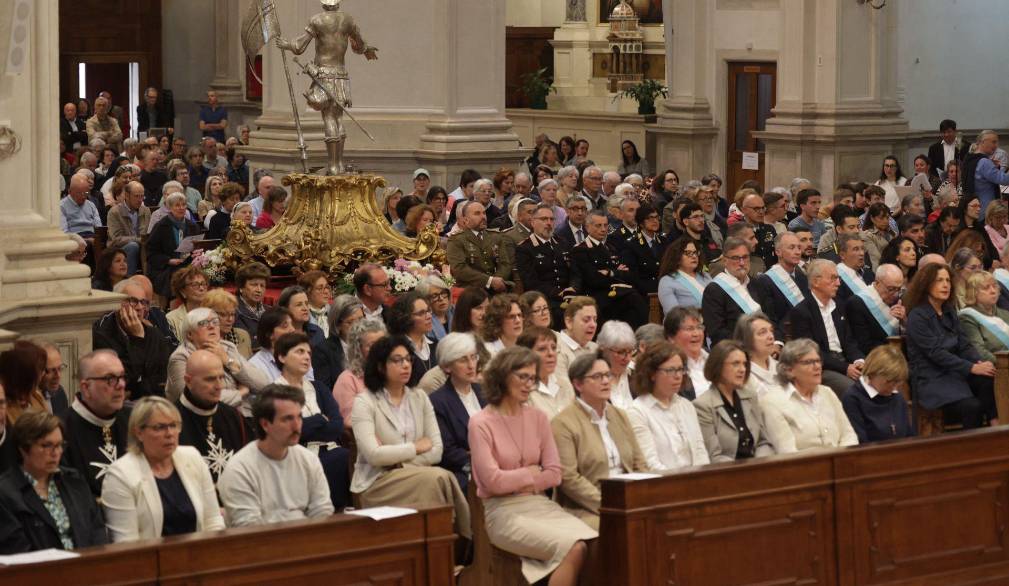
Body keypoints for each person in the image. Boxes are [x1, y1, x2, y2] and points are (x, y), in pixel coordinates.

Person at [469, 346, 596, 585]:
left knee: (594, 543)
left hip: (540, 504)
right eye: (523, 377)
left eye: (533, 378)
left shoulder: (537, 417)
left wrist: (515, 479)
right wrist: (530, 473)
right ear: (503, 376)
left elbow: (555, 474)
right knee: (574, 547)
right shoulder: (480, 423)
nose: (529, 384)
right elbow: (492, 482)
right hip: (503, 512)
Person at [350, 335, 471, 537]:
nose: (406, 365)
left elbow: (436, 450)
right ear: (380, 366)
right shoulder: (365, 402)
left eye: (408, 359)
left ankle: (444, 546)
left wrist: (399, 463)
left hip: (414, 473)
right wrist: (415, 448)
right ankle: (458, 543)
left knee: (437, 478)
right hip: (379, 482)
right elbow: (373, 455)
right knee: (439, 478)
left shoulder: (419, 396)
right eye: (397, 360)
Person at [101, 396, 224, 541]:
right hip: (149, 560)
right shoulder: (121, 474)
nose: (170, 434)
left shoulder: (192, 457)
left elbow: (213, 521)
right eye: (159, 427)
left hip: (198, 556)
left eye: (173, 425)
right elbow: (126, 543)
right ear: (139, 432)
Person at [552, 351, 647, 530]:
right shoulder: (563, 423)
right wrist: (609, 503)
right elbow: (569, 478)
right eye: (597, 376)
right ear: (578, 384)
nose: (605, 381)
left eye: (608, 375)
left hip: (628, 498)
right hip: (586, 506)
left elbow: (639, 463)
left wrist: (647, 494)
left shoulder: (620, 415)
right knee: (619, 527)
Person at [218, 384, 335, 526]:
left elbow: (322, 512)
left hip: (307, 541)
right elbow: (249, 529)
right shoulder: (239, 469)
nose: (296, 426)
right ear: (265, 424)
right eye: (287, 419)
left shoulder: (308, 459)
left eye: (299, 417)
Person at [0, 412, 108, 553]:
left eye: (59, 445)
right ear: (24, 449)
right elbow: (17, 548)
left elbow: (97, 530)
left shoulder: (74, 480)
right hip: (39, 571)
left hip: (86, 567)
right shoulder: (5, 493)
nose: (56, 453)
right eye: (47, 446)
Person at [272, 332, 350, 509]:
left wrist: (307, 423)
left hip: (331, 452)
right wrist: (319, 419)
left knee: (344, 457)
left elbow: (336, 426)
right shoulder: (273, 392)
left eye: (308, 353)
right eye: (300, 352)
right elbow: (287, 432)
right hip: (295, 455)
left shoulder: (319, 387)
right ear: (282, 357)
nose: (307, 357)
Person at [760, 338, 859, 453]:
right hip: (803, 467)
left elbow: (849, 435)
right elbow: (786, 451)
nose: (817, 366)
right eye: (808, 362)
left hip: (840, 464)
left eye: (818, 361)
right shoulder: (773, 401)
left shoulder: (827, 392)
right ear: (789, 370)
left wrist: (840, 460)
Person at [785, 259, 865, 396]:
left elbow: (849, 341)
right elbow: (811, 353)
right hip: (823, 367)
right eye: (833, 278)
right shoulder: (801, 312)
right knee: (854, 390)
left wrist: (859, 360)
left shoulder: (840, 306)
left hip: (847, 362)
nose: (839, 283)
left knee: (881, 380)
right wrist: (846, 368)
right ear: (816, 282)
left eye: (838, 278)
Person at [626, 340, 708, 471]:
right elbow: (650, 464)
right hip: (663, 485)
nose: (678, 376)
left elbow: (700, 453)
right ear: (652, 374)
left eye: (680, 370)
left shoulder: (687, 406)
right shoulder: (637, 411)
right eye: (670, 370)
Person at [165, 308, 269, 410]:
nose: (211, 326)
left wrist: (228, 361)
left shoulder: (227, 347)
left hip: (242, 415)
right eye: (203, 323)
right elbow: (192, 398)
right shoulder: (181, 357)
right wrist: (241, 393)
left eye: (215, 322)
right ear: (190, 334)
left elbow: (264, 385)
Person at [175, 350, 251, 484]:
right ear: (188, 381)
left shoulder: (234, 417)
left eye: (221, 378)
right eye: (210, 379)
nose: (219, 386)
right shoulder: (170, 422)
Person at [692, 340, 775, 462]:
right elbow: (714, 456)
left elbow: (763, 441)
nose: (742, 369)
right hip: (726, 474)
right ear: (718, 366)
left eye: (744, 364)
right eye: (735, 364)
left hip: (757, 468)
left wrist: (758, 465)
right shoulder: (703, 405)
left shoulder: (750, 396)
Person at [92, 281, 173, 400]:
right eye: (133, 301)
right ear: (117, 304)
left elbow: (160, 382)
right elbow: (125, 381)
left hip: (153, 403)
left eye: (144, 302)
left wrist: (138, 388)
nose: (140, 307)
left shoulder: (155, 335)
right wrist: (138, 339)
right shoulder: (102, 337)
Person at [569, 209, 648, 328]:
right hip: (597, 295)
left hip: (617, 294)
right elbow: (593, 280)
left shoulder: (610, 247)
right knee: (634, 299)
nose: (603, 229)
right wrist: (617, 273)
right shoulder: (581, 250)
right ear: (587, 227)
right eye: (598, 225)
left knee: (636, 300)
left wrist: (610, 272)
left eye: (605, 225)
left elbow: (628, 275)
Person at [428, 333, 484, 493]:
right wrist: (481, 458)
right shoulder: (437, 401)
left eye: (473, 357)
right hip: (462, 470)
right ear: (447, 366)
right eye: (463, 360)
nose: (471, 365)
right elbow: (448, 451)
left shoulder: (484, 392)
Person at [840, 345, 913, 443]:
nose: (894, 388)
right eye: (890, 382)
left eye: (898, 382)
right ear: (873, 373)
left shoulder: (897, 397)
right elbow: (859, 445)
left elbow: (910, 437)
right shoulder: (852, 398)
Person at [516, 203, 574, 325]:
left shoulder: (562, 242)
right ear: (533, 222)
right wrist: (557, 292)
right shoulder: (525, 248)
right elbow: (530, 281)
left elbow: (575, 270)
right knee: (559, 313)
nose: (548, 223)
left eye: (551, 219)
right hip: (546, 298)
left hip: (569, 294)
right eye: (544, 219)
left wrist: (573, 288)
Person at [701, 236, 762, 345]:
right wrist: (749, 342)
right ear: (724, 261)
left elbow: (770, 318)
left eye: (745, 257)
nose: (742, 263)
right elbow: (717, 332)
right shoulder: (714, 290)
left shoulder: (757, 284)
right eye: (735, 258)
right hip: (734, 349)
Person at [751, 231, 809, 338]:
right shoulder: (765, 280)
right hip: (785, 337)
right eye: (791, 248)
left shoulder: (803, 275)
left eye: (799, 248)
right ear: (778, 252)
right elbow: (770, 318)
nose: (797, 252)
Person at [446, 202, 514, 292]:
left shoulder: (496, 236)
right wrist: (489, 281)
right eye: (477, 213)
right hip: (470, 290)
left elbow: (505, 264)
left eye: (484, 213)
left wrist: (496, 281)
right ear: (465, 220)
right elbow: (459, 270)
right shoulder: (456, 240)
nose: (483, 217)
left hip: (497, 288)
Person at [332, 318, 387, 427]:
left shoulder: (392, 374)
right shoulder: (347, 380)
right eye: (372, 345)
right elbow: (351, 423)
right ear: (358, 349)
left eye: (383, 344)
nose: (380, 349)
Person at [147, 192, 200, 302]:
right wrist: (168, 260)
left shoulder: (192, 226)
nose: (181, 208)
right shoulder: (161, 226)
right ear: (170, 208)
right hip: (165, 267)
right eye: (177, 205)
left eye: (184, 204)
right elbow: (151, 253)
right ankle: (176, 305)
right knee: (178, 274)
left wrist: (195, 255)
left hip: (188, 263)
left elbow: (198, 247)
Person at [844, 263, 907, 355]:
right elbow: (864, 344)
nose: (896, 294)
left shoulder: (900, 300)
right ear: (877, 282)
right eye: (891, 289)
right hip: (878, 357)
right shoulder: (858, 303)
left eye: (899, 289)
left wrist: (904, 322)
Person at [313, 294, 363, 392]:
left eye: (361, 320)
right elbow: (324, 391)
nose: (359, 326)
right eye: (351, 322)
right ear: (337, 324)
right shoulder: (323, 351)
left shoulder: (371, 345)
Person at [958, 271, 1009, 363]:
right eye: (986, 288)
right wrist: (1004, 364)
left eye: (995, 286)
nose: (993, 291)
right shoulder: (967, 316)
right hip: (995, 369)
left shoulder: (1005, 314)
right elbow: (979, 351)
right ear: (974, 292)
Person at [106, 180, 151, 276]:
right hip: (119, 248)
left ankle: (152, 281)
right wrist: (138, 240)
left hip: (142, 247)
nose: (140, 200)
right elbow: (116, 238)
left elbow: (148, 233)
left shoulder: (145, 211)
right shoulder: (114, 212)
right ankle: (127, 280)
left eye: (142, 196)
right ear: (126, 195)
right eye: (136, 196)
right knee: (133, 246)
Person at [657, 237, 712, 315]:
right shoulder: (667, 281)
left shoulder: (705, 276)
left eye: (695, 252)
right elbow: (673, 315)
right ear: (677, 256)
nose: (694, 256)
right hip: (688, 325)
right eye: (688, 253)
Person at [620, 203, 666, 295]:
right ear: (641, 223)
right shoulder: (632, 244)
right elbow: (632, 277)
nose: (655, 221)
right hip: (644, 293)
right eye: (650, 218)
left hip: (665, 288)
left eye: (656, 217)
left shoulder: (664, 241)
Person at [963, 130, 1009, 216]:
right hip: (985, 210)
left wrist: (993, 167)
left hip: (972, 207)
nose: (996, 146)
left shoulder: (969, 159)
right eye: (993, 142)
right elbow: (1004, 180)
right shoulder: (984, 162)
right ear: (983, 142)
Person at [554, 296, 598, 379]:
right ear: (569, 322)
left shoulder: (596, 348)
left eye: (595, 320)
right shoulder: (556, 350)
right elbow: (564, 390)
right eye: (586, 320)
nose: (593, 325)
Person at [595, 321, 636, 410]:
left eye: (630, 351)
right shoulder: (593, 378)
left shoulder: (636, 374)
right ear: (604, 349)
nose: (627, 358)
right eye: (621, 352)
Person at [165, 266, 208, 341]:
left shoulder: (214, 314)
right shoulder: (171, 319)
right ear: (183, 292)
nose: (201, 288)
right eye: (195, 285)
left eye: (203, 284)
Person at [479, 293, 523, 357]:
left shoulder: (527, 348)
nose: (518, 320)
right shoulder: (488, 352)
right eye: (511, 317)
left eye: (519, 315)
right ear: (498, 321)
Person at [416, 275, 453, 342]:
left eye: (443, 293)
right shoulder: (423, 322)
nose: (441, 298)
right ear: (424, 300)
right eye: (434, 296)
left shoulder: (456, 312)